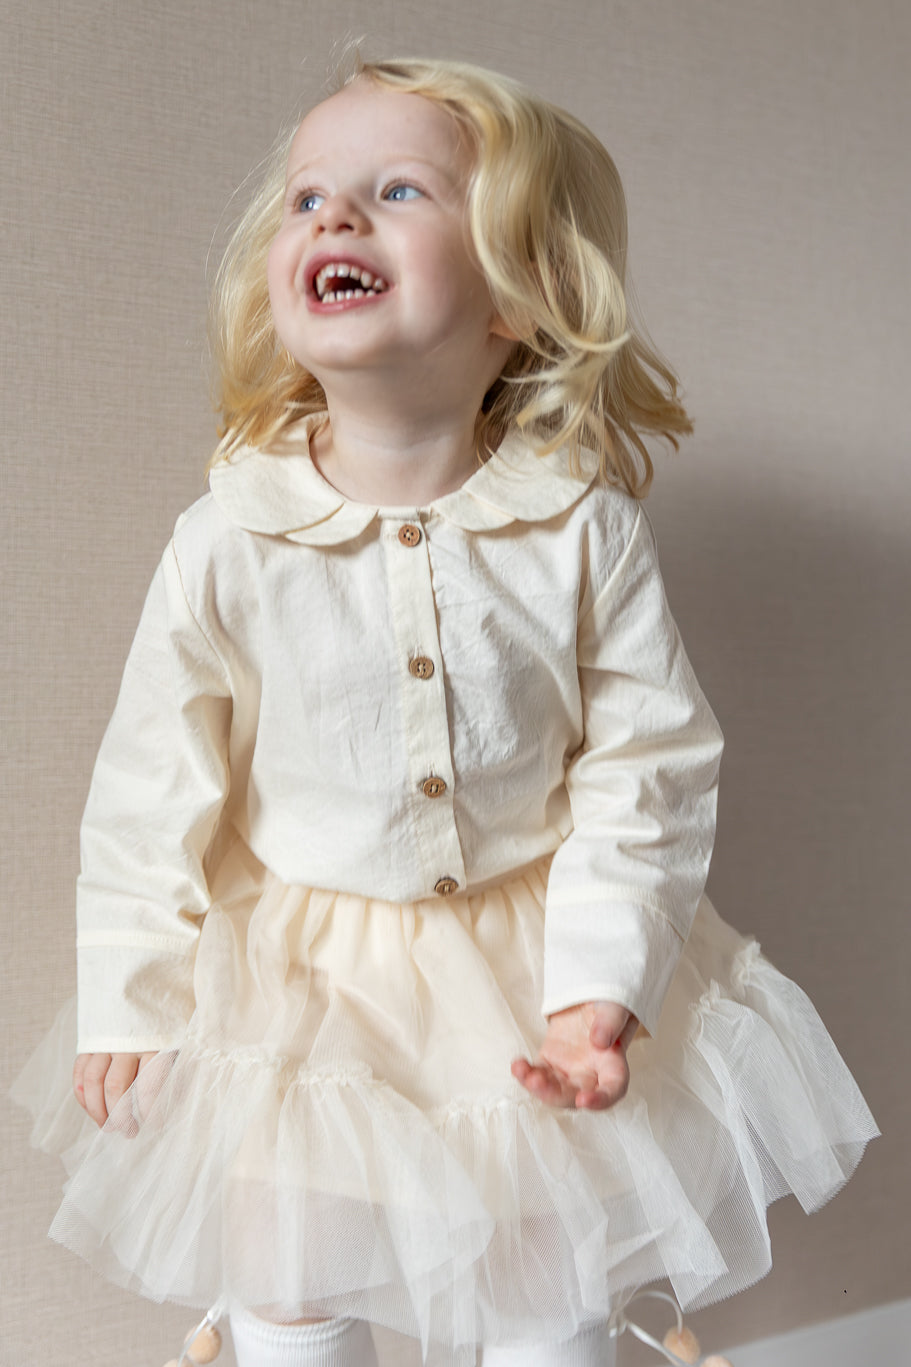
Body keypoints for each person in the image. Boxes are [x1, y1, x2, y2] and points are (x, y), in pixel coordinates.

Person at [14, 56, 877, 1367]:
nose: (336, 217)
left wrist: (598, 989)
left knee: (541, 1265)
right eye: (309, 196)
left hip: (525, 968)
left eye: (398, 191)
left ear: (518, 299)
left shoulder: (581, 531)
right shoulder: (229, 540)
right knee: (289, 1262)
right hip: (303, 984)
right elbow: (150, 784)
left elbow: (647, 766)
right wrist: (131, 993)